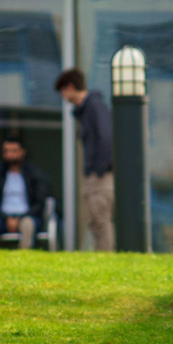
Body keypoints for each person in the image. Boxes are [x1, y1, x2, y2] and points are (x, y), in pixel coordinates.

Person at [56, 68, 114, 251]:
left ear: (70, 87)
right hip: (94, 175)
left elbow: (106, 137)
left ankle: (106, 260)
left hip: (100, 176)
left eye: (63, 91)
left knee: (101, 220)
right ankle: (100, 258)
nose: (63, 96)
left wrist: (98, 170)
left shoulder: (94, 106)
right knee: (93, 221)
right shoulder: (85, 110)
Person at [0, 137, 51, 249]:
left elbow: (39, 202)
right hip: (1, 218)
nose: (9, 155)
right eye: (6, 151)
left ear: (22, 152)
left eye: (13, 151)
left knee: (28, 224)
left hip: (28, 217)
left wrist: (21, 217)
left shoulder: (35, 175)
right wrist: (6, 218)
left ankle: (24, 257)